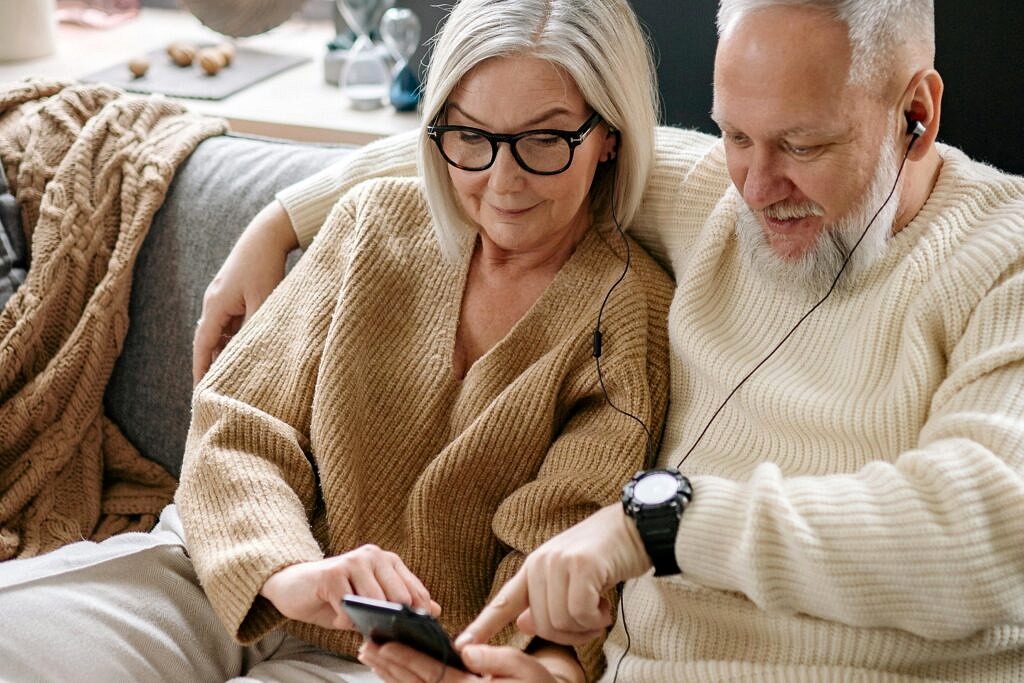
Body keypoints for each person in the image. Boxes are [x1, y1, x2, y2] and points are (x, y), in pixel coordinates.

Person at [199, 1, 1024, 681]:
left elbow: (990, 532)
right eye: (736, 135)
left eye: (802, 145)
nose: (758, 186)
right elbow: (508, 135)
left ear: (916, 113)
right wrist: (280, 218)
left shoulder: (1004, 258)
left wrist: (654, 525)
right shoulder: (716, 194)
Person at [0, 1, 673, 681]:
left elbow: (558, 547)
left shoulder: (625, 314)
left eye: (545, 141)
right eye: (470, 135)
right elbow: (237, 420)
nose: (502, 180)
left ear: (609, 134)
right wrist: (290, 571)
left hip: (414, 659)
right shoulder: (370, 222)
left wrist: (517, 662)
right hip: (230, 574)